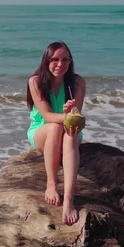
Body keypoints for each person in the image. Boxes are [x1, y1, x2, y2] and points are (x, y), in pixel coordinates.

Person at [26, 41, 86, 225]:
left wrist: (72, 114)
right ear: (46, 60)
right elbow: (47, 116)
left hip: (67, 128)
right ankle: (51, 184)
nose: (61, 64)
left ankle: (69, 198)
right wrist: (66, 115)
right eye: (55, 59)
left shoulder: (77, 83)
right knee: (54, 127)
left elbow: (77, 117)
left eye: (65, 60)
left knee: (70, 134)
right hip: (42, 130)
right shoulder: (35, 81)